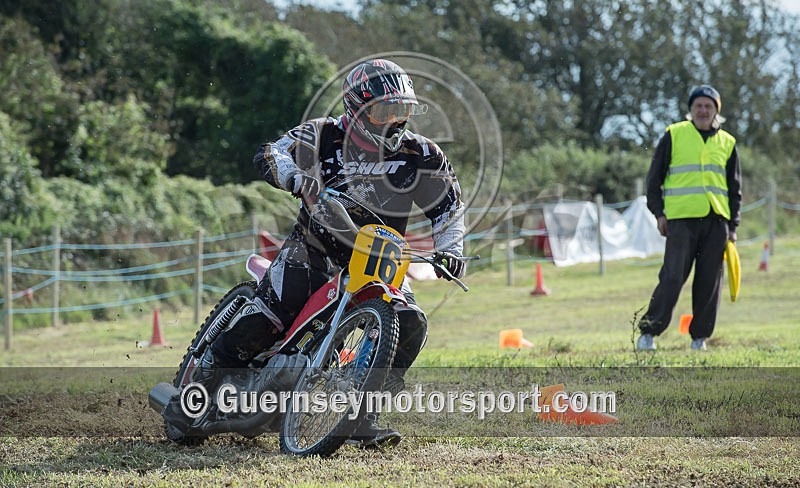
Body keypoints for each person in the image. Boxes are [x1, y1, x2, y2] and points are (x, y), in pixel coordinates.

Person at [193, 59, 466, 447]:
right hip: (313, 251)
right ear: (356, 108)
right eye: (384, 110)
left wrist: (451, 250)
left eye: (401, 110)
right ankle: (201, 385)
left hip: (379, 261)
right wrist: (293, 176)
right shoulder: (322, 134)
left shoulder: (421, 154)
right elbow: (272, 152)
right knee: (274, 312)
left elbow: (449, 208)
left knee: (411, 323)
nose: (394, 120)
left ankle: (361, 415)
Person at [636, 84, 741, 351]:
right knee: (672, 277)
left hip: (716, 222)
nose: (703, 111)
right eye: (698, 106)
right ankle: (648, 334)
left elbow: (734, 189)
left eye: (708, 106)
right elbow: (653, 180)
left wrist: (733, 227)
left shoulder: (728, 143)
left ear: (717, 111)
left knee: (709, 282)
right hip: (680, 222)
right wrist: (659, 213)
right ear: (691, 110)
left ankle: (699, 339)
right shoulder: (674, 135)